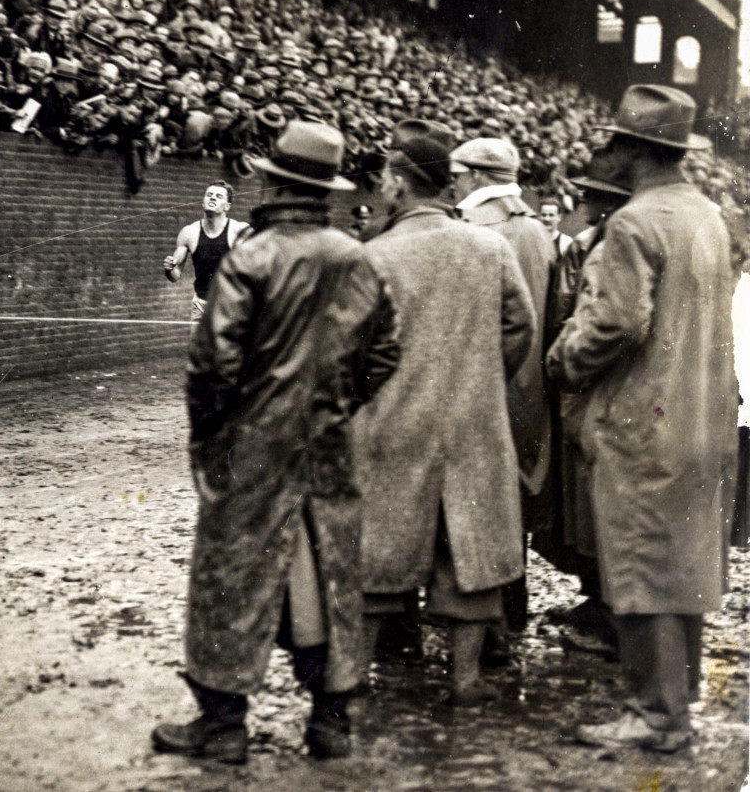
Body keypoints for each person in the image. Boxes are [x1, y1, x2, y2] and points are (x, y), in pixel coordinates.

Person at [152, 121, 400, 763]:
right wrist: (341, 404)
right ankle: (330, 720)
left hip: (254, 444)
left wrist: (212, 437)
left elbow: (212, 364)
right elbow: (386, 352)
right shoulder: (357, 257)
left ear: (272, 180)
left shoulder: (252, 257)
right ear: (325, 189)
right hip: (325, 440)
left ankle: (223, 721)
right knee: (328, 568)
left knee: (233, 570)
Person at [546, 85, 738, 751]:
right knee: (681, 569)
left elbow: (616, 323)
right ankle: (675, 703)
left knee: (639, 569)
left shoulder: (633, 222)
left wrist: (564, 359)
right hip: (704, 421)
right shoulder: (707, 215)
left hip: (643, 423)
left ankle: (655, 715)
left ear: (634, 149)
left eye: (616, 144)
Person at [353, 131, 536, 706]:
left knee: (380, 549)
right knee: (471, 550)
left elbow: (350, 344)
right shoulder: (489, 248)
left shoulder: (374, 255)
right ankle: (465, 680)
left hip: (392, 420)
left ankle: (352, 681)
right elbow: (521, 326)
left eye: (384, 178)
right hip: (472, 420)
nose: (381, 188)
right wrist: (480, 377)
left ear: (402, 183)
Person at [449, 136, 555, 642]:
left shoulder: (476, 230)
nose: (451, 180)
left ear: (474, 177)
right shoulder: (536, 230)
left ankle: (490, 626)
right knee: (512, 504)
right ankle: (510, 615)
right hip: (530, 390)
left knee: (481, 506)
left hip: (487, 387)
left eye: (456, 172)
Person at [535, 153, 633, 654]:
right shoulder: (594, 240)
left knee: (600, 503)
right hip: (588, 389)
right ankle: (596, 597)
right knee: (583, 501)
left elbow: (601, 320)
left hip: (597, 386)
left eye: (593, 192)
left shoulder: (615, 243)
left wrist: (560, 358)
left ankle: (608, 613)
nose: (584, 199)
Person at [161, 181, 249, 323]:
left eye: (219, 196)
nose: (212, 198)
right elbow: (175, 276)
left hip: (230, 306)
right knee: (199, 345)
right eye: (209, 195)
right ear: (203, 202)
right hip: (201, 304)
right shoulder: (189, 233)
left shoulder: (239, 231)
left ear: (227, 206)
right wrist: (169, 269)